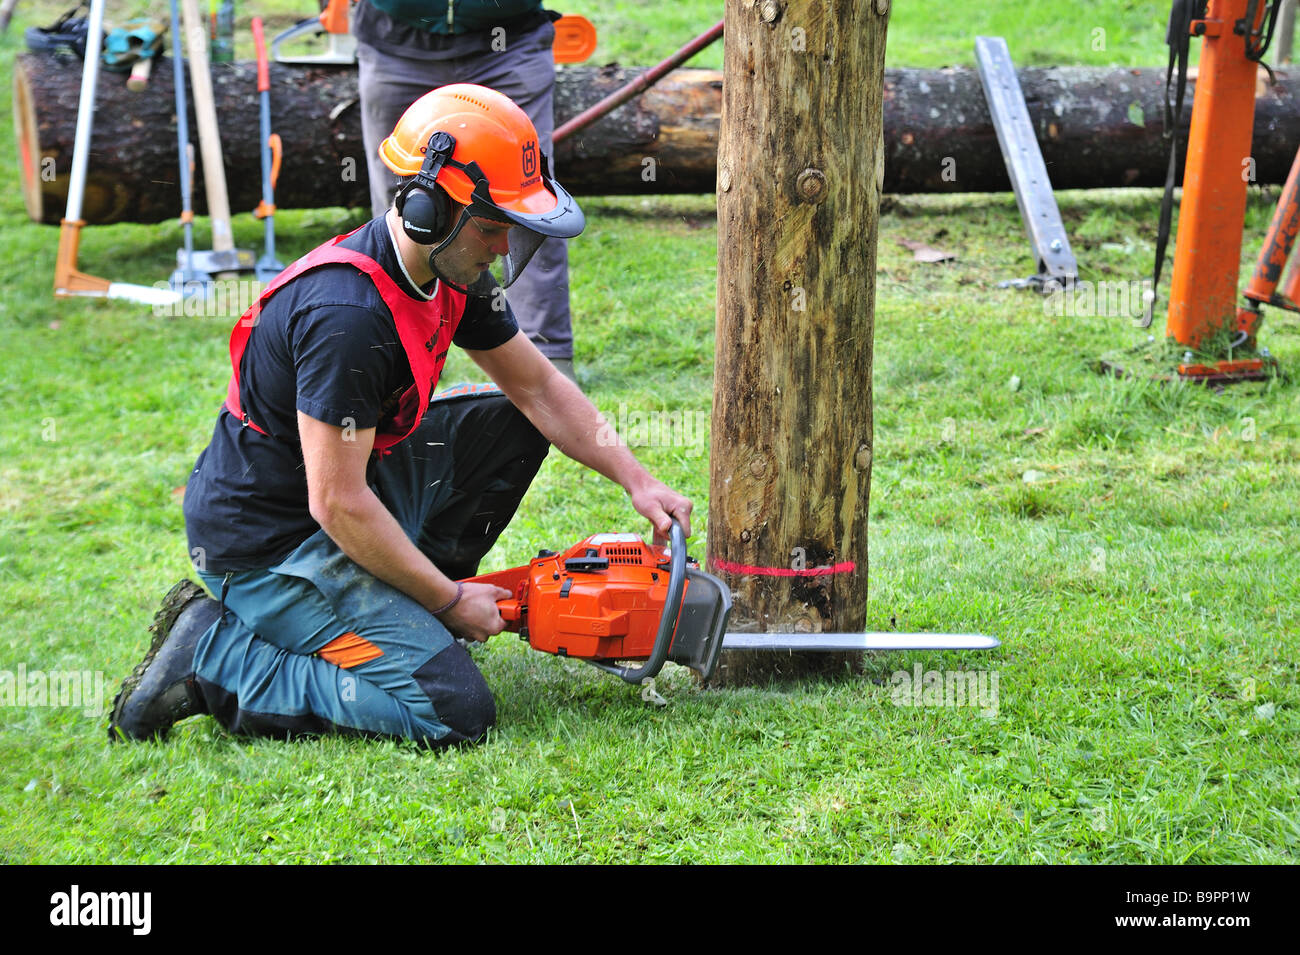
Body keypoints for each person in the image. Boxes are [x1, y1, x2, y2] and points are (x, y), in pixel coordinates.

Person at [109, 84, 691, 748]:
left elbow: (540, 390)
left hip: (348, 488)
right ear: (429, 207)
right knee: (452, 708)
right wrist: (448, 599)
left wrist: (637, 478)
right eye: (494, 225)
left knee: (514, 421)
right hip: (273, 544)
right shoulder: (348, 320)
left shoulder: (450, 271)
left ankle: (402, 611)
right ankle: (216, 658)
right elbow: (338, 503)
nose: (503, 247)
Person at [352, 0, 577, 378]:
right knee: (405, 215)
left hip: (509, 38)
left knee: (530, 203)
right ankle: (384, 363)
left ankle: (548, 365)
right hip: (395, 37)